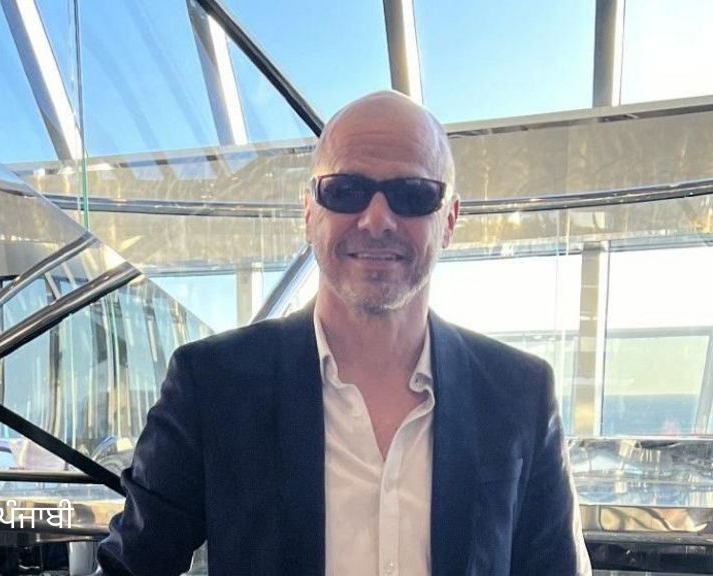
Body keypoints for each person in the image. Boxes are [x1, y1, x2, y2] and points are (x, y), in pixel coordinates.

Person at [97, 91, 590, 575]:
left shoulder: (519, 393)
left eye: (413, 193)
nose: (376, 220)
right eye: (345, 190)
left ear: (449, 221)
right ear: (309, 213)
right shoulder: (214, 383)